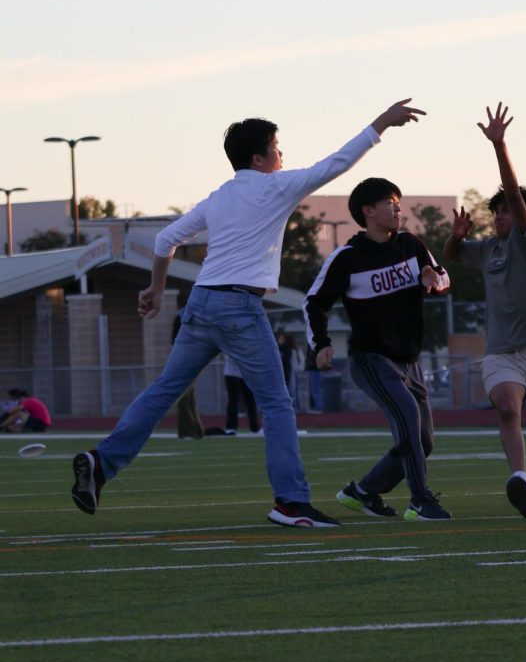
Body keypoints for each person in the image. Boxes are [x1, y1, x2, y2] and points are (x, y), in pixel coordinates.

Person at [70, 98, 426, 529]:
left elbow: (165, 240)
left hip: (200, 304)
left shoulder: (219, 198)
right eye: (277, 147)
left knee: (164, 391)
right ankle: (291, 503)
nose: (282, 154)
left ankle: (101, 462)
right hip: (239, 305)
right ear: (259, 158)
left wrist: (157, 288)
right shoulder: (273, 186)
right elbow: (338, 162)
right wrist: (381, 124)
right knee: (277, 403)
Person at [443, 103, 526, 519]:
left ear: (523, 217)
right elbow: (452, 255)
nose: (498, 215)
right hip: (503, 351)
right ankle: (520, 479)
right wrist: (455, 236)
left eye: (504, 210)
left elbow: (516, 197)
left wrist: (500, 146)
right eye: (496, 210)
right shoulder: (488, 250)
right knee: (506, 407)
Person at [304, 177, 452, 521]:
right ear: (367, 211)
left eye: (399, 201)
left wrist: (433, 277)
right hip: (371, 358)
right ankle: (420, 501)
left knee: (424, 442)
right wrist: (321, 345)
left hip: (410, 359)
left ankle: (364, 491)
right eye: (390, 202)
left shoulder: (411, 244)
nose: (398, 208)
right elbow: (314, 302)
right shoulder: (348, 257)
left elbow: (443, 277)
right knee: (408, 421)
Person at [171, 307, 205, 439]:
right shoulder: (184, 315)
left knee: (190, 397)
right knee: (185, 397)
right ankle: (188, 430)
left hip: (189, 357)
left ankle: (195, 430)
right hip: (184, 358)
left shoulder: (188, 314)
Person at [223, 353, 261, 435]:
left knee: (251, 401)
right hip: (232, 374)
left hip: (246, 375)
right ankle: (231, 427)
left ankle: (255, 427)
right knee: (233, 401)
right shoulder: (229, 342)